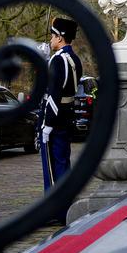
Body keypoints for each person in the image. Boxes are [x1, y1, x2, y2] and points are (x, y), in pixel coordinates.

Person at [41, 17, 82, 223]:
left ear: (60, 37)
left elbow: (54, 93)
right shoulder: (74, 58)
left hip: (55, 119)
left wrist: (47, 123)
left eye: (53, 36)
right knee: (62, 163)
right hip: (67, 116)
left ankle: (54, 209)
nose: (50, 39)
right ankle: (65, 206)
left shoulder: (58, 60)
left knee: (53, 166)